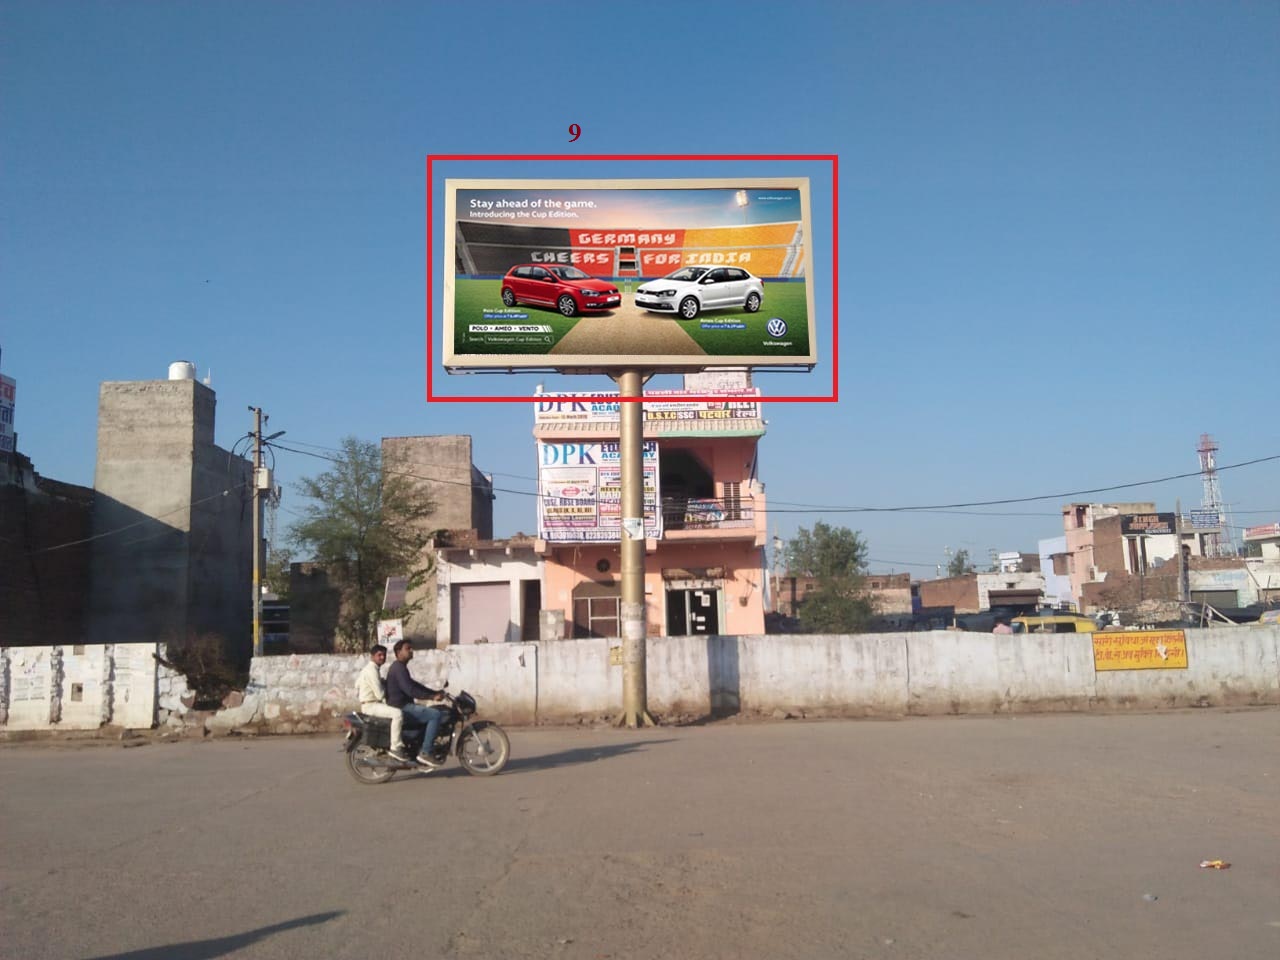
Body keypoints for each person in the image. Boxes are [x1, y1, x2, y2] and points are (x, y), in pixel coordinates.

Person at [385, 639, 446, 768]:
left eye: (411, 648)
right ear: (398, 652)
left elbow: (414, 685)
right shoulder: (398, 668)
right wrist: (431, 696)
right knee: (435, 715)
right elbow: (410, 690)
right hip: (402, 708)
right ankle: (426, 752)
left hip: (403, 706)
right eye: (408, 648)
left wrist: (434, 692)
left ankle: (420, 745)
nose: (411, 651)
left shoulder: (401, 667)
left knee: (429, 712)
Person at [355, 645, 411, 761]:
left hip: (369, 703)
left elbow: (357, 685)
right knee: (397, 714)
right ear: (372, 656)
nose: (382, 657)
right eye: (379, 655)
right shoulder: (371, 671)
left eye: (384, 655)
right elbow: (380, 694)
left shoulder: (370, 669)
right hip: (371, 705)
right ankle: (396, 747)